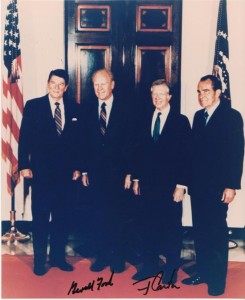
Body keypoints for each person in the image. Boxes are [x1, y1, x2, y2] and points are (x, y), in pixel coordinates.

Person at [182, 75, 244, 296]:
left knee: (216, 233)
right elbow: (193, 154)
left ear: (218, 92)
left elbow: (236, 153)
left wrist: (231, 185)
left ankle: (217, 280)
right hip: (199, 187)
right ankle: (204, 271)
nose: (201, 96)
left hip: (219, 188)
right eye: (199, 92)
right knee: (200, 231)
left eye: (206, 91)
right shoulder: (199, 117)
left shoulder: (232, 117)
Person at [18, 69, 81, 276]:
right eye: (53, 83)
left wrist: (78, 167)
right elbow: (24, 137)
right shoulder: (34, 106)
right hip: (41, 175)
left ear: (66, 87)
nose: (56, 87)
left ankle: (57, 258)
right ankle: (39, 261)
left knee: (62, 218)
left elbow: (79, 143)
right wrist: (23, 166)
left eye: (60, 84)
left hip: (65, 176)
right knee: (41, 219)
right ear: (47, 84)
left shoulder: (74, 108)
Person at [132, 79, 191, 283]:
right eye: (154, 94)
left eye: (161, 94)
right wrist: (137, 178)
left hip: (170, 187)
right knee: (147, 226)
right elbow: (138, 152)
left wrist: (181, 185)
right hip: (147, 184)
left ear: (169, 96)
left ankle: (171, 269)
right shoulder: (143, 118)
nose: (157, 98)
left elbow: (186, 156)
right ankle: (149, 266)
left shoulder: (181, 121)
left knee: (171, 228)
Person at [79, 68, 134, 273]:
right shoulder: (87, 108)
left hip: (119, 175)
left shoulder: (127, 108)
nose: (99, 88)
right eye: (96, 84)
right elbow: (82, 142)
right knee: (97, 216)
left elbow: (132, 142)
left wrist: (130, 172)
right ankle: (101, 257)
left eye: (103, 84)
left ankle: (117, 258)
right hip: (95, 174)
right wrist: (84, 170)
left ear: (112, 85)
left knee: (118, 217)